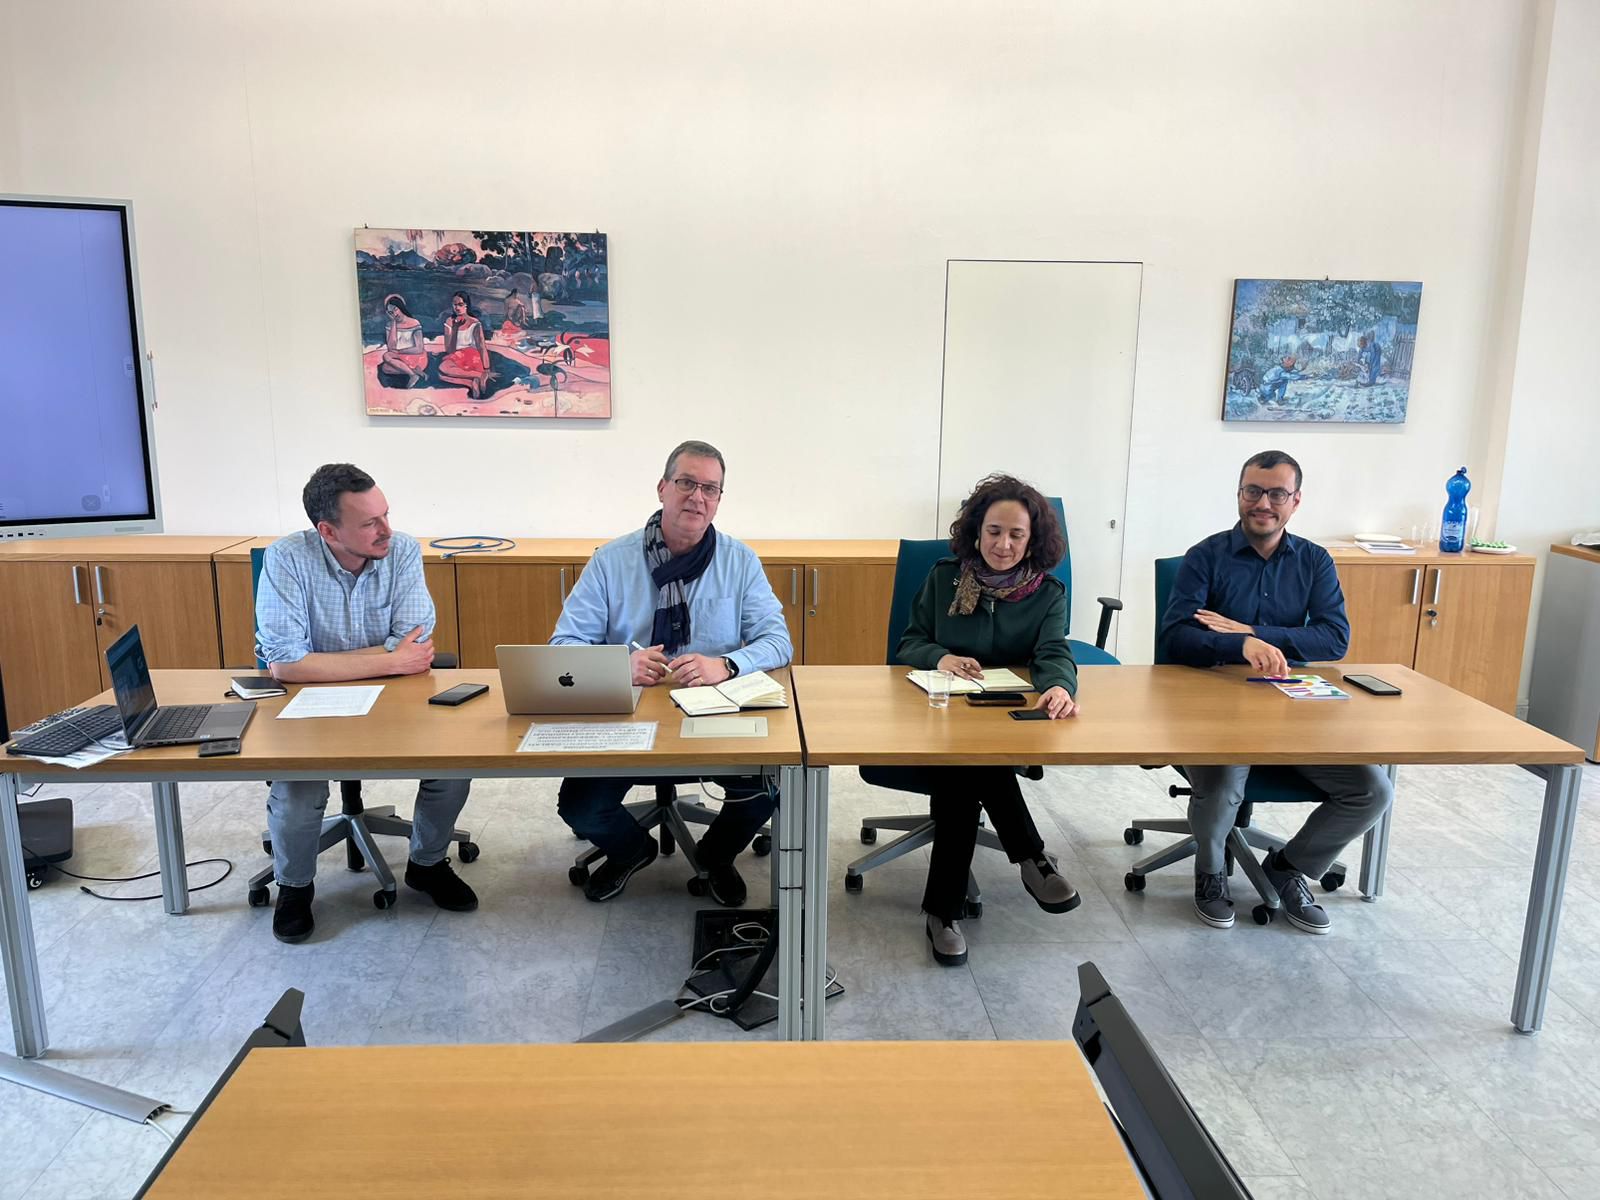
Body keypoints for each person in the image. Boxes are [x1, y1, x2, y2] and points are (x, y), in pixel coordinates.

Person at [1158, 449, 1393, 934]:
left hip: (1293, 708)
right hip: (1215, 708)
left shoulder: (1313, 560)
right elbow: (1177, 636)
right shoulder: (1206, 557)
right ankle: (1210, 873)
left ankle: (1289, 868)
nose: (1263, 503)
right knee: (1223, 785)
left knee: (1372, 790)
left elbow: (1334, 638)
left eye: (1276, 494)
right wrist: (1242, 645)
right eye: (1253, 491)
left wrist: (1252, 630)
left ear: (1295, 500)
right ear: (1239, 494)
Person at [550, 440, 792, 906]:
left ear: (719, 499)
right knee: (579, 808)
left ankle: (716, 855)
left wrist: (726, 663)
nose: (696, 497)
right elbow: (563, 646)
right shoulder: (611, 560)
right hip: (629, 712)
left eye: (710, 489)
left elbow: (779, 641)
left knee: (768, 787)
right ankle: (630, 851)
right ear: (662, 488)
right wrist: (620, 665)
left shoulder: (738, 561)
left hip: (711, 712)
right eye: (686, 483)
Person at [860, 474, 1081, 968]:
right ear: (976, 532)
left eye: (1016, 535)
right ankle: (1030, 858)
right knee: (972, 766)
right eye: (993, 531)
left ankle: (943, 913)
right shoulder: (946, 578)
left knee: (969, 771)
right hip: (932, 713)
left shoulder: (1048, 594)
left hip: (999, 718)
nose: (1003, 544)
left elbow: (1052, 652)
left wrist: (1060, 686)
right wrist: (940, 657)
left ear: (1033, 540)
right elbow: (909, 644)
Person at [255, 463, 477, 943]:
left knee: (454, 764)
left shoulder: (402, 550)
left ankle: (427, 863)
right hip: (305, 704)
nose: (386, 531)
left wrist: (334, 661)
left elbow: (414, 647)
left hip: (395, 698)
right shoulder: (286, 558)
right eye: (370, 523)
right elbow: (287, 666)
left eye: (386, 515)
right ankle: (294, 887)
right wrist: (388, 659)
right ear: (327, 530)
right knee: (299, 789)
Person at [437, 291, 494, 398]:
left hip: (472, 356)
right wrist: (455, 330)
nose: (457, 308)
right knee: (442, 375)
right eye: (455, 304)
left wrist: (486, 368)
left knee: (443, 369)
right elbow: (449, 350)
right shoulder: (449, 321)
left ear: (467, 305)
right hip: (456, 356)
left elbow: (481, 346)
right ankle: (471, 382)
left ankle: (479, 375)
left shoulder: (474, 322)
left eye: (460, 304)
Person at [377, 294, 428, 388]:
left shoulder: (414, 323)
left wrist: (400, 351)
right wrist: (393, 323)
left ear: (401, 307)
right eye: (390, 312)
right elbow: (391, 348)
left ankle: (412, 375)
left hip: (415, 356)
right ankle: (413, 372)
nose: (395, 314)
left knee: (387, 360)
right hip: (399, 357)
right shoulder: (390, 324)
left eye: (395, 309)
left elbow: (419, 348)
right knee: (385, 367)